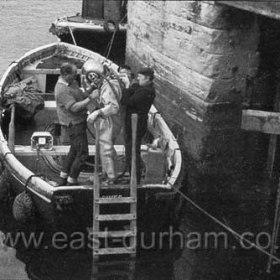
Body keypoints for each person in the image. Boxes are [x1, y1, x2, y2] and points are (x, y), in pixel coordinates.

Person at [55, 62, 97, 186]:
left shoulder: (72, 83)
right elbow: (74, 107)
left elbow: (79, 96)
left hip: (79, 122)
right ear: (66, 74)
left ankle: (63, 178)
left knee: (73, 151)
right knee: (83, 154)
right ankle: (72, 181)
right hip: (73, 124)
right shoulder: (61, 90)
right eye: (74, 73)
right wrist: (91, 98)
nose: (76, 75)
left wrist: (91, 89)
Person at [85, 60, 123, 185]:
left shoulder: (108, 87)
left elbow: (113, 107)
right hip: (109, 119)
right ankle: (107, 173)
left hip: (111, 119)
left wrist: (97, 113)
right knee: (105, 147)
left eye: (94, 77)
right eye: (91, 78)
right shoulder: (107, 83)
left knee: (106, 148)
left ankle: (111, 178)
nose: (93, 80)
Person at [121, 67, 156, 184]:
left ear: (147, 79)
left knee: (132, 152)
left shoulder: (146, 92)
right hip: (132, 123)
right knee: (130, 149)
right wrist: (131, 85)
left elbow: (127, 101)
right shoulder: (142, 88)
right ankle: (134, 174)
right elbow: (134, 89)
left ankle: (135, 178)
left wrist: (126, 85)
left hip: (136, 125)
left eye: (140, 77)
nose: (137, 79)